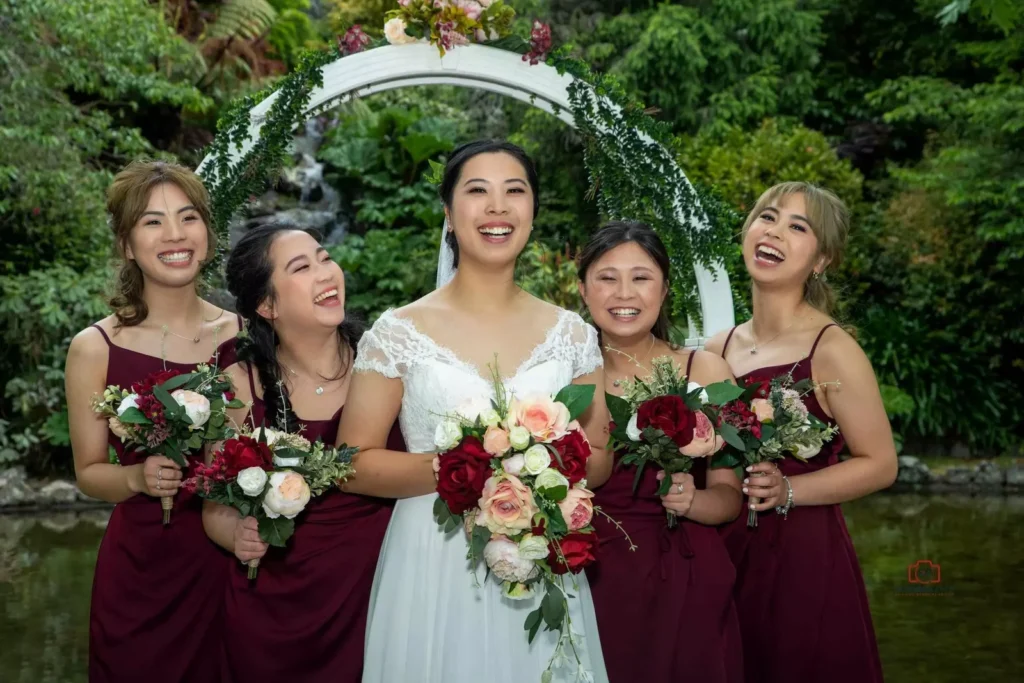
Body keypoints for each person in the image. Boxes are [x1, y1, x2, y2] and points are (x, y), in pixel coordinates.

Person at [337, 140, 612, 683]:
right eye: (477, 191)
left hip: (540, 552)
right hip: (431, 559)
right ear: (448, 212)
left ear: (533, 210)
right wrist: (475, 464)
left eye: (515, 191)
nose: (497, 207)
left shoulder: (573, 335)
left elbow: (599, 458)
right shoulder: (397, 333)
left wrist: (541, 463)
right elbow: (351, 462)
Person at [704, 181, 895, 683]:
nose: (775, 232)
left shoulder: (832, 349)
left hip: (800, 557)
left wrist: (790, 488)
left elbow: (880, 463)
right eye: (767, 217)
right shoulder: (715, 347)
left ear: (821, 261)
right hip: (722, 551)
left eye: (798, 227)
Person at [202, 224, 403, 682]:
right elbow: (215, 508)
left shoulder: (389, 362)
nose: (326, 273)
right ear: (266, 305)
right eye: (301, 267)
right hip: (274, 613)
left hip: (382, 595)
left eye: (325, 258)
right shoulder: (237, 387)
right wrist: (237, 535)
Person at [65, 160, 240, 683]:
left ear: (206, 232)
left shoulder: (244, 334)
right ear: (126, 244)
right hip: (142, 571)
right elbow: (89, 472)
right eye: (152, 222)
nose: (174, 235)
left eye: (188, 217)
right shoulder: (95, 348)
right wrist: (136, 478)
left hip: (236, 562)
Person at [578, 220, 744, 683]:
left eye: (642, 277)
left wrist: (694, 501)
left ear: (665, 289)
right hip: (591, 573)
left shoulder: (705, 369)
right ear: (583, 289)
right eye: (607, 278)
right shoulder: (567, 375)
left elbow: (730, 497)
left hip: (684, 572)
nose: (624, 294)